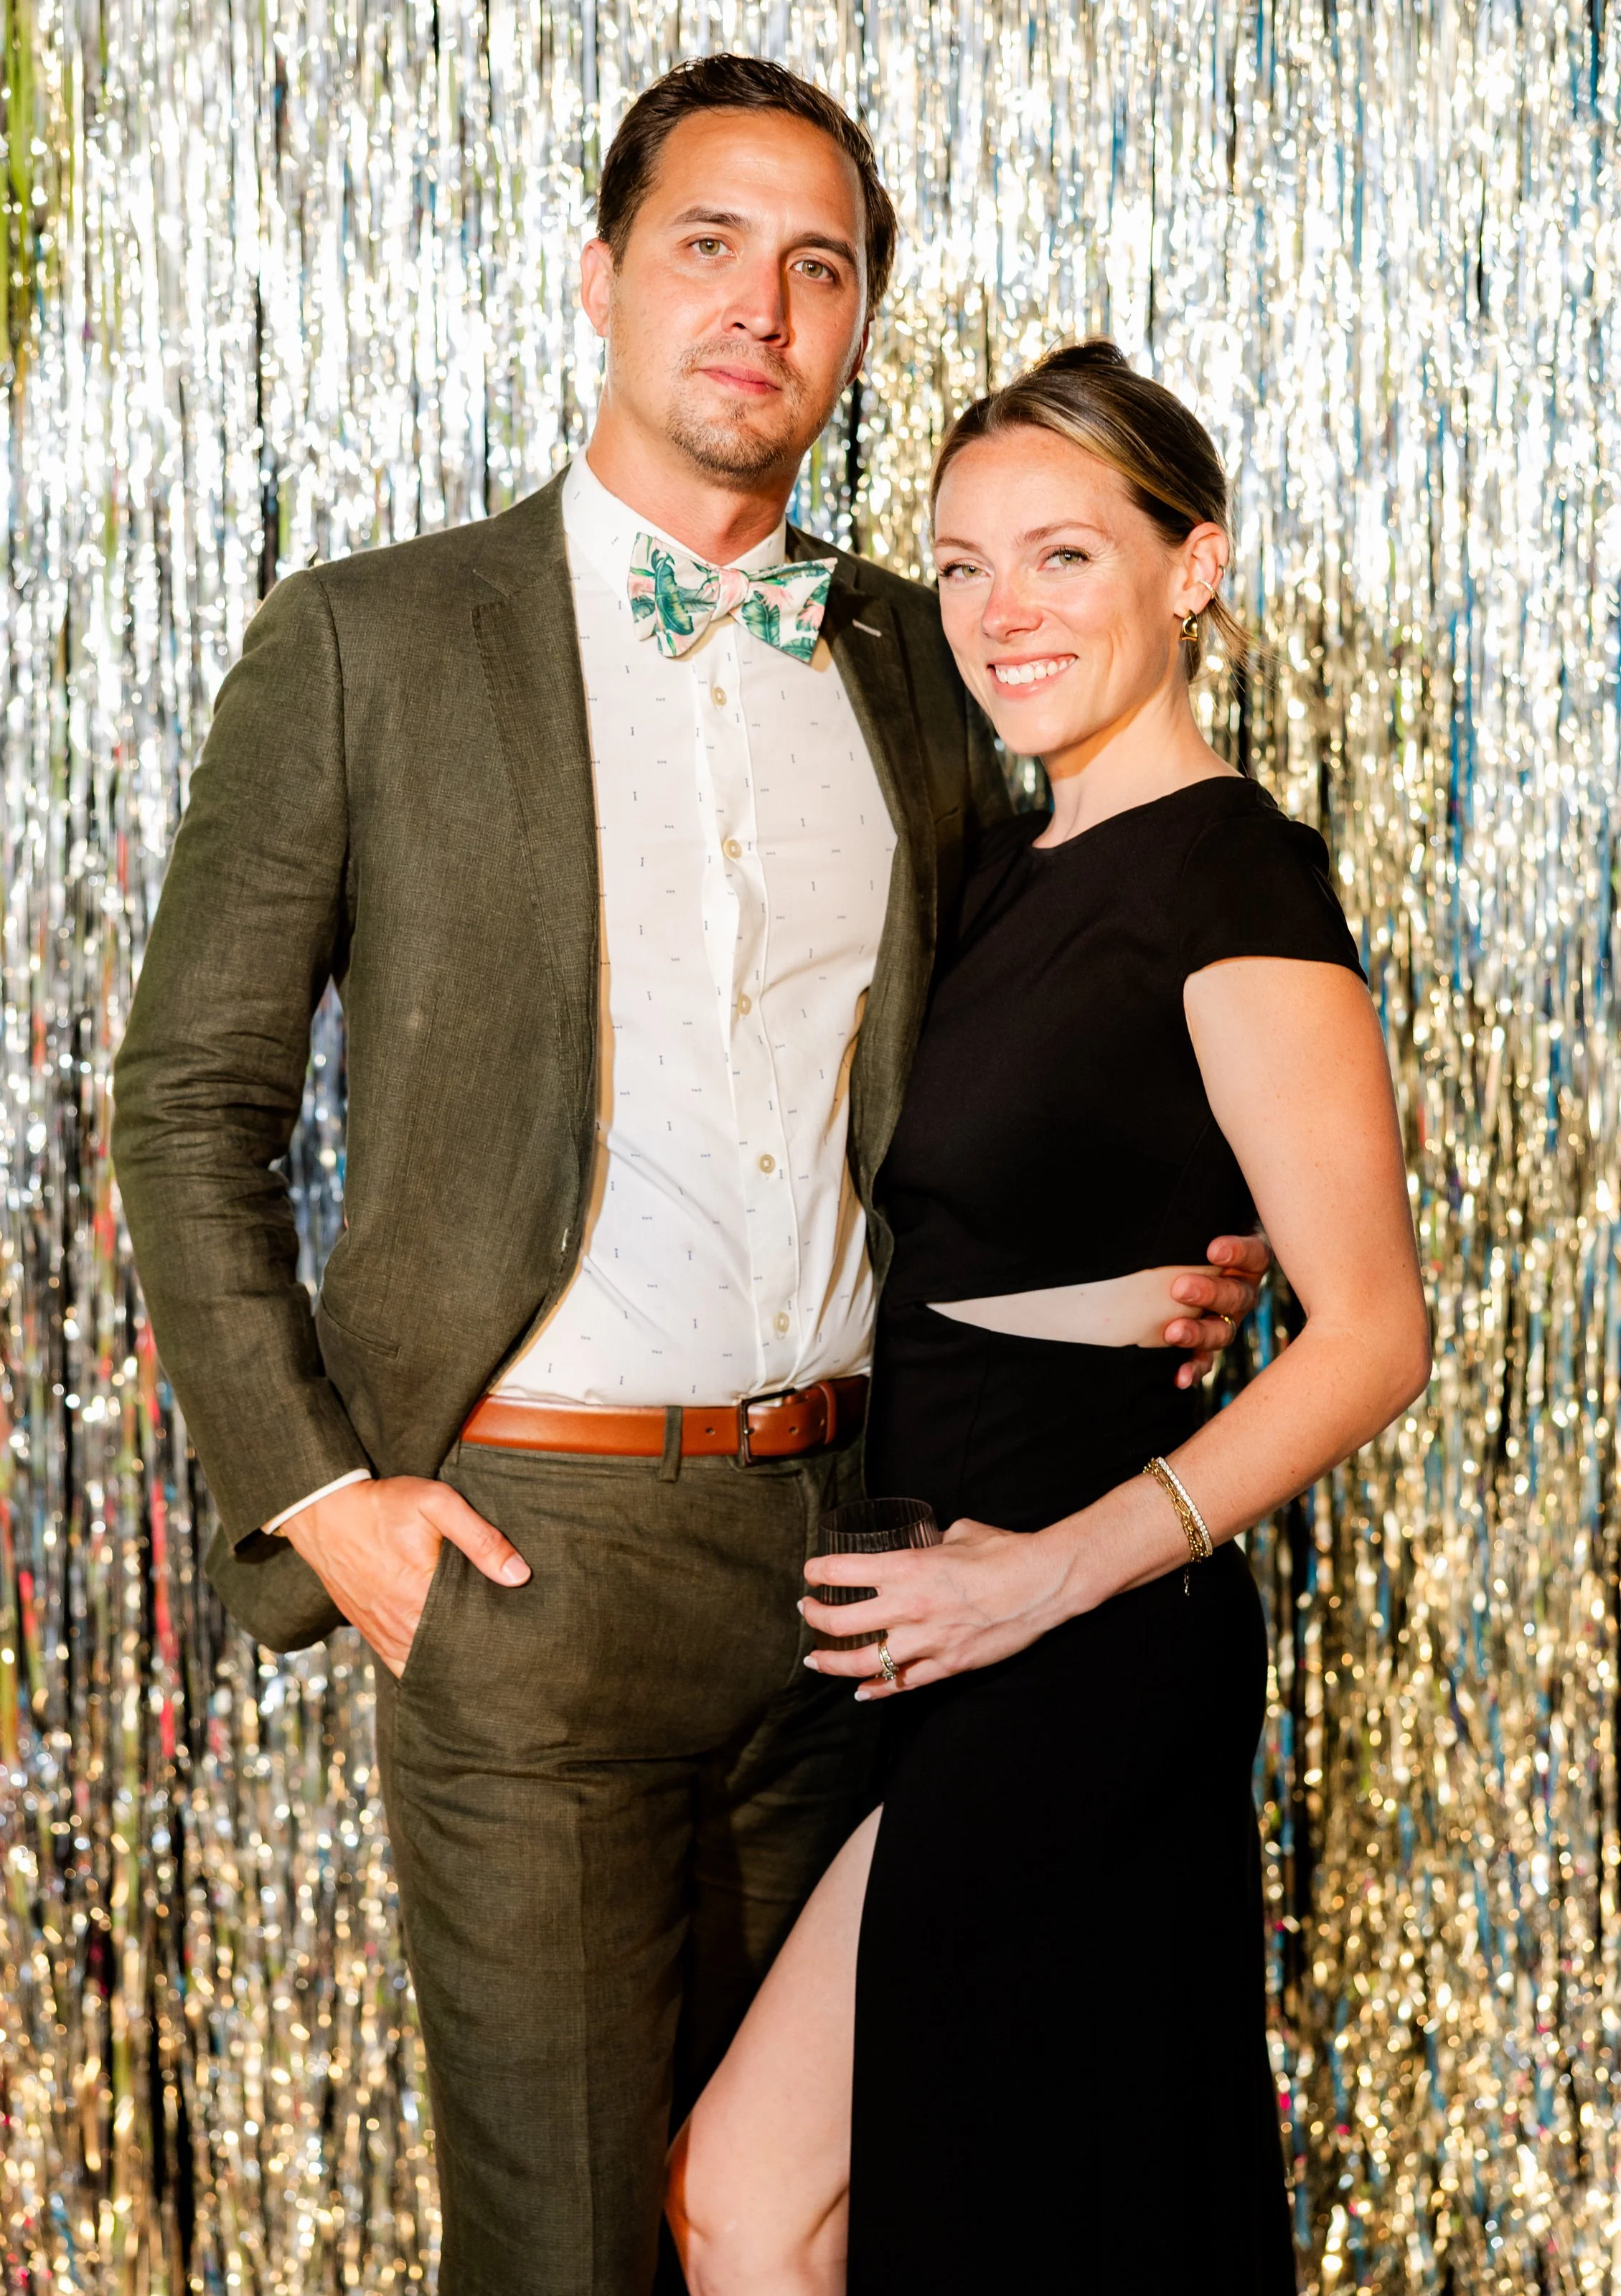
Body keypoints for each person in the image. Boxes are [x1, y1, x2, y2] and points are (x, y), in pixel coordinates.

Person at [111, 61, 1267, 2296]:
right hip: (525, 1568)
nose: (762, 304)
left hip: (862, 1553)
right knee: (570, 2251)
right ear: (602, 277)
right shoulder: (369, 641)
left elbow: (1045, 1025)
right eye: (709, 246)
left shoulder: (925, 659)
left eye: (818, 267)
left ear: (855, 330)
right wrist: (323, 1498)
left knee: (825, 2216)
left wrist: (1163, 1256)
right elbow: (186, 1098)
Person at [666, 342, 1433, 2292]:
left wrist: (1046, 1578)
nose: (1002, 611)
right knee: (809, 2206)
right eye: (963, 564)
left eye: (1065, 555)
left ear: (1196, 568)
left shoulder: (1236, 878)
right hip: (948, 1636)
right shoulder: (1003, 871)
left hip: (1080, 1639)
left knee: (835, 2205)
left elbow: (1374, 1335)